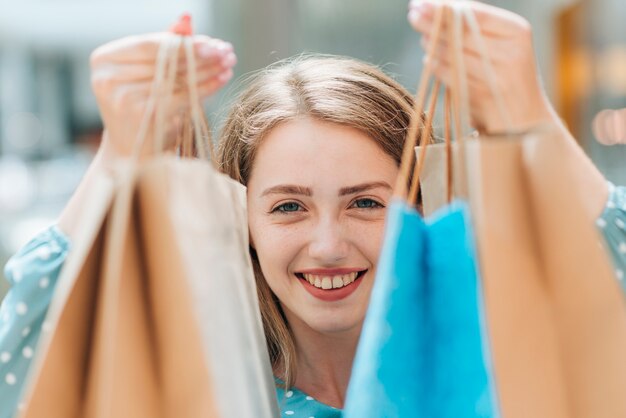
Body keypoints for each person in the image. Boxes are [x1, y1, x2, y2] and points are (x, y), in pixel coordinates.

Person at [1, 1, 624, 417]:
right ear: (242, 221)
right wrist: (119, 154)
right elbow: (24, 369)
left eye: (366, 203)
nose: (327, 244)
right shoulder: (206, 387)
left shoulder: (508, 363)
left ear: (425, 206)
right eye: (289, 207)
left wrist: (532, 122)